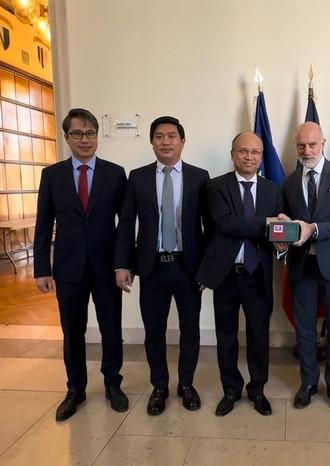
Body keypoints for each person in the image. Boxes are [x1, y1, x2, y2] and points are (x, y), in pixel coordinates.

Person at [34, 108, 128, 421]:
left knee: (111, 329)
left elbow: (125, 224)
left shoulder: (115, 173)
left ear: (97, 136)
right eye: (77, 133)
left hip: (105, 269)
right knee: (72, 331)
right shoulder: (52, 175)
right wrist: (41, 268)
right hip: (68, 267)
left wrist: (122, 264)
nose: (84, 139)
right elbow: (44, 224)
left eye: (90, 133)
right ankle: (75, 388)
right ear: (66, 138)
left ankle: (113, 384)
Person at [114, 116, 210, 416]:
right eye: (159, 136)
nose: (165, 141)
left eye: (171, 136)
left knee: (190, 329)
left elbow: (209, 226)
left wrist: (208, 268)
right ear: (152, 142)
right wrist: (122, 264)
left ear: (183, 141)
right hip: (152, 266)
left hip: (188, 266)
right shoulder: (138, 177)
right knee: (153, 331)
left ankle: (186, 383)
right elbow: (127, 223)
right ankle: (159, 385)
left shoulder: (199, 177)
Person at [196, 132, 283, 417]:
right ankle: (231, 390)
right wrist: (265, 223)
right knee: (227, 336)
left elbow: (277, 230)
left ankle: (257, 389)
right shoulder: (216, 186)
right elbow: (226, 224)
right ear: (232, 154)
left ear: (261, 157)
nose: (249, 157)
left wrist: (280, 234)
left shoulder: (273, 190)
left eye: (255, 152)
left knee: (259, 337)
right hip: (225, 275)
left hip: (257, 274)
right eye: (243, 151)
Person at [280, 121, 330, 415]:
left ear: (323, 143)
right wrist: (281, 233)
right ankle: (309, 382)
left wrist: (312, 229)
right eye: (301, 145)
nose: (307, 150)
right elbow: (287, 223)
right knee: (304, 330)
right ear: (295, 146)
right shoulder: (289, 181)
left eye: (312, 144)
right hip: (302, 266)